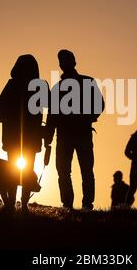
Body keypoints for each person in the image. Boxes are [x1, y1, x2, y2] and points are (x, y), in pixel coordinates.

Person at [45, 49, 104, 210]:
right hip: (68, 135)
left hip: (77, 134)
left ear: (73, 62)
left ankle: (82, 204)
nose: (63, 63)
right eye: (61, 60)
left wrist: (87, 118)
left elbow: (99, 105)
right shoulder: (62, 87)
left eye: (65, 60)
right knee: (67, 171)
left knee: (82, 170)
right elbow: (52, 114)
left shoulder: (84, 83)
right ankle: (70, 205)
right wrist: (48, 136)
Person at [0, 54, 48, 213]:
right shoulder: (37, 85)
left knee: (15, 169)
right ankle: (18, 203)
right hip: (24, 136)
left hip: (21, 136)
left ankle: (16, 203)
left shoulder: (16, 85)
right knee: (22, 170)